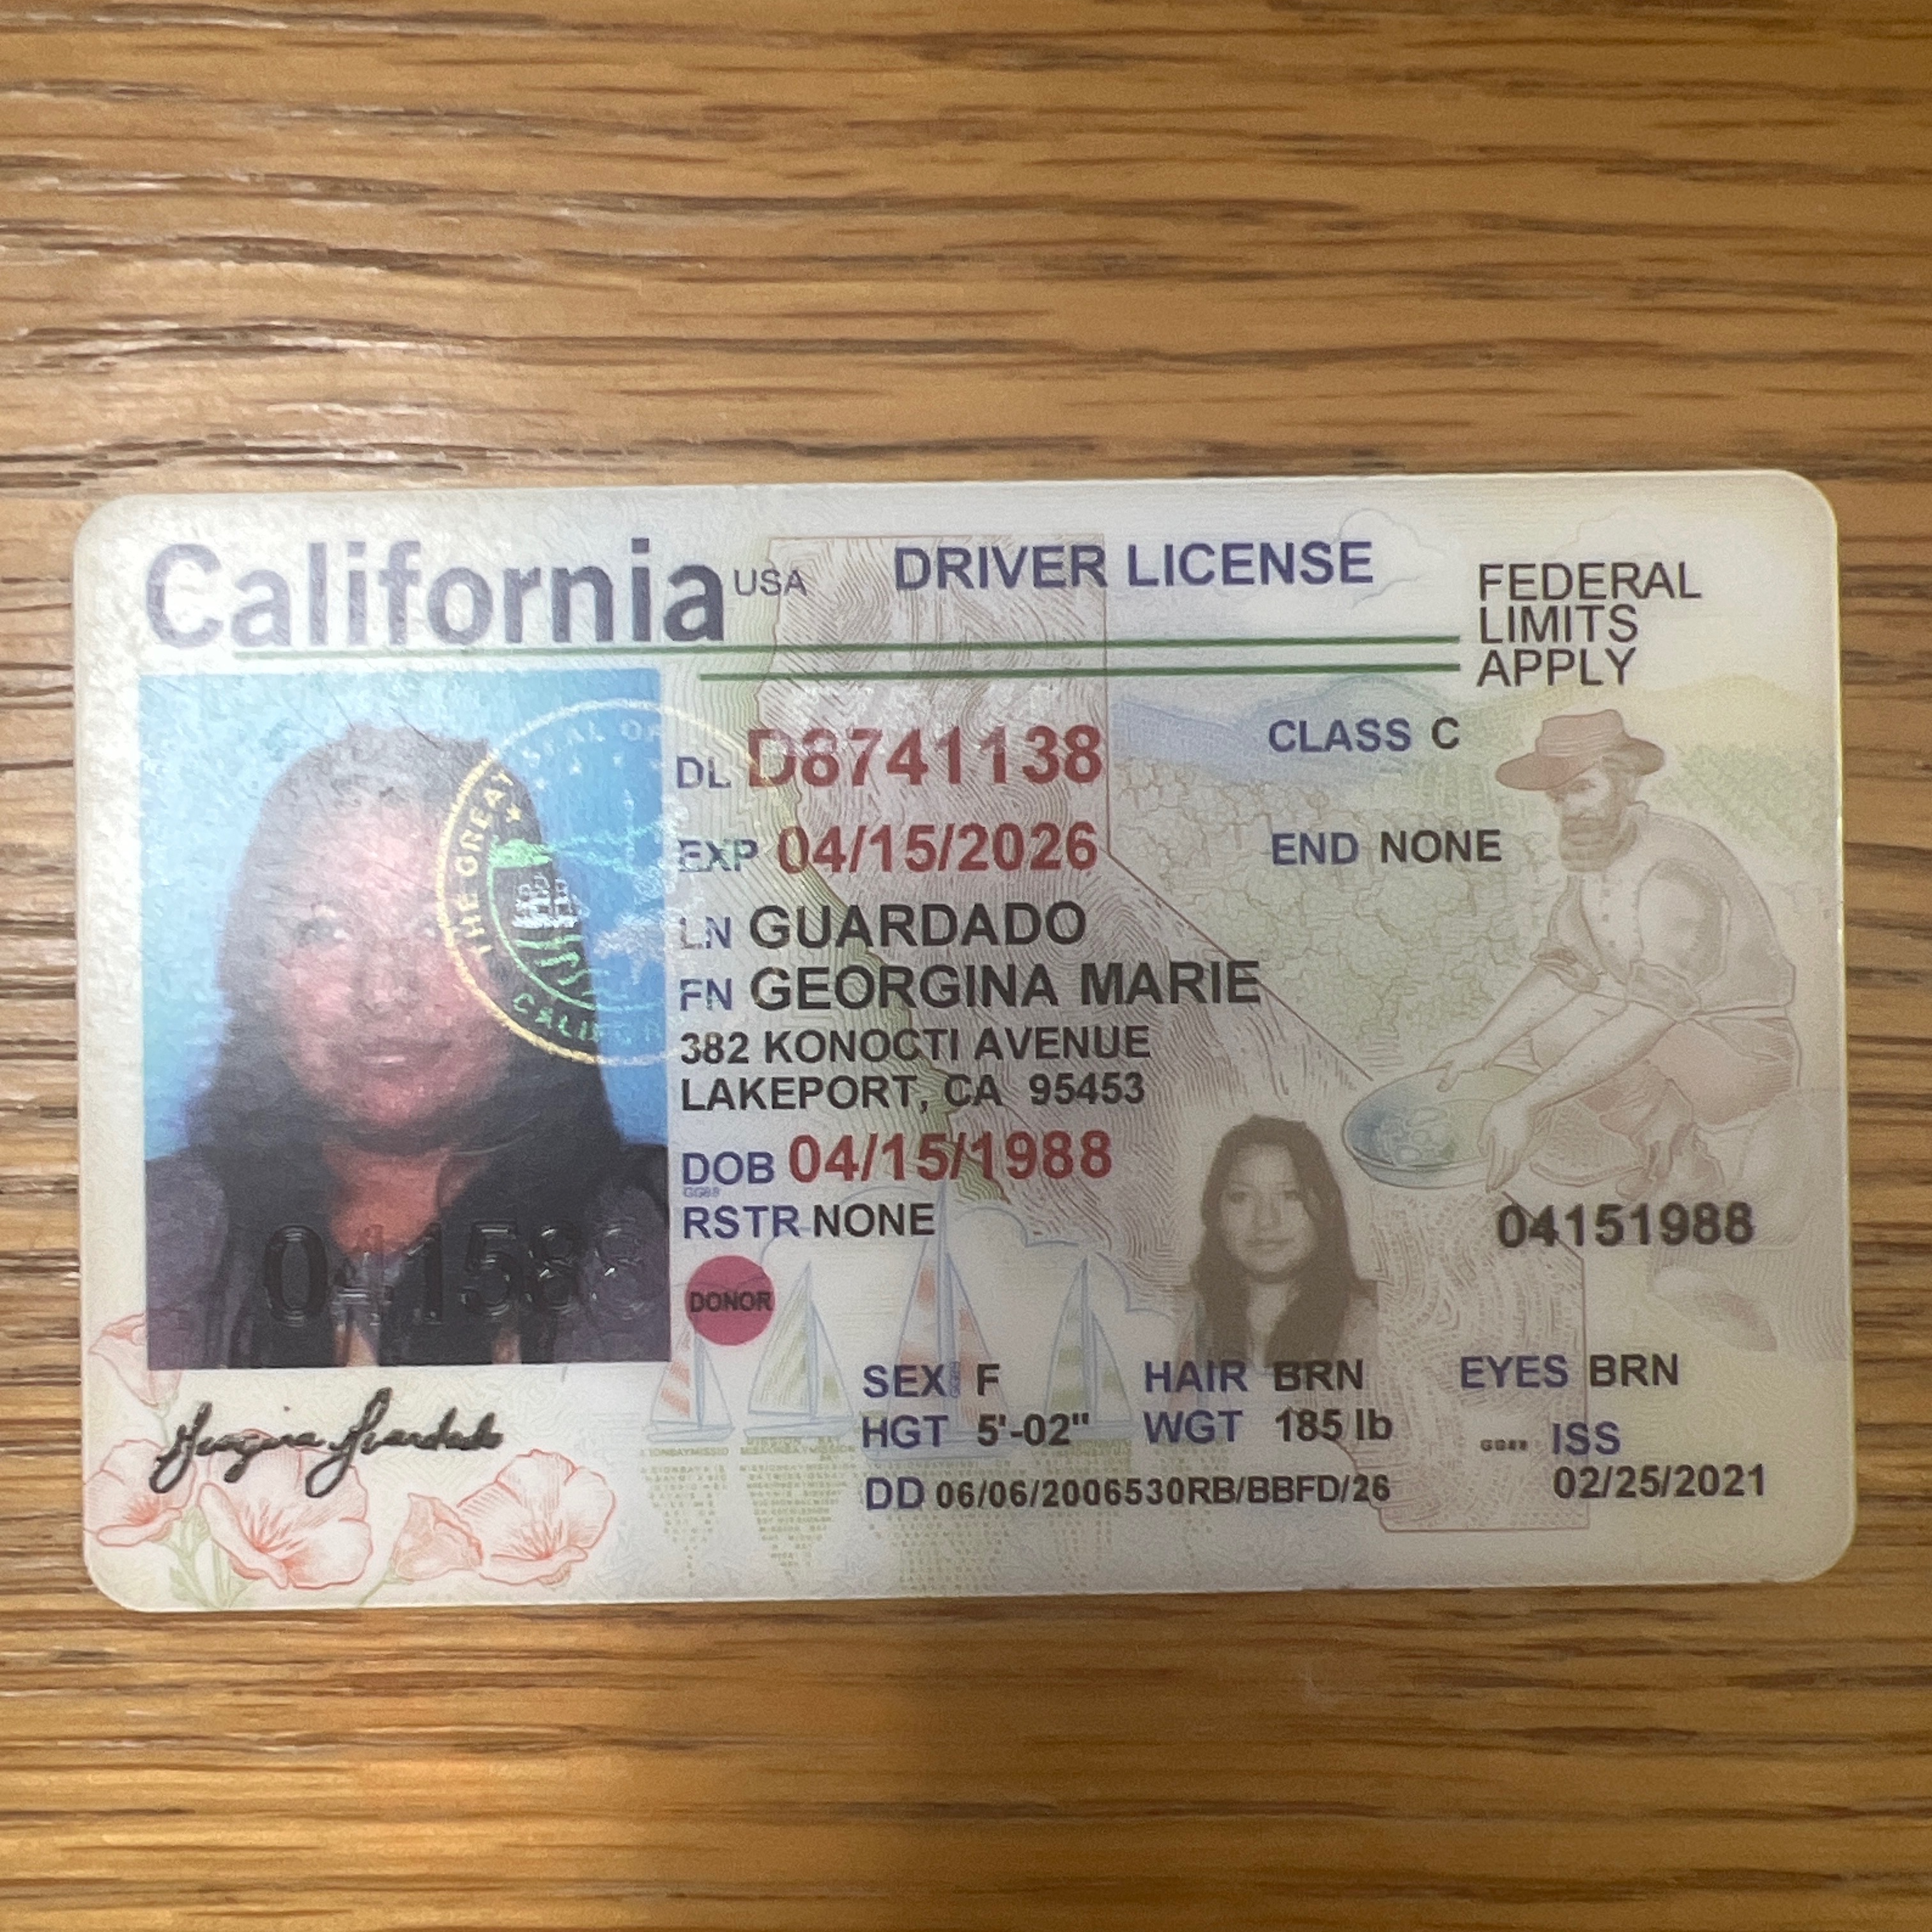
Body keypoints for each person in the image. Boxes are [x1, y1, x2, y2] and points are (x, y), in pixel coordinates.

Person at [146, 724, 669, 1370]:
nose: (385, 992)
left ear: (533, 963)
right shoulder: (151, 1238)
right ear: (255, 972)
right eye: (325, 930)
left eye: (442, 925)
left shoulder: (671, 1232)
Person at [1429, 709, 1798, 1194]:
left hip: (1741, 1054)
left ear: (1626, 784)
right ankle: (1675, 1156)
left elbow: (1649, 1015)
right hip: (1683, 1035)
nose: (1570, 809)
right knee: (1555, 1031)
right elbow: (1567, 966)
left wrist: (1524, 1104)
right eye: (1558, 797)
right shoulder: (1599, 860)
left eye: (1584, 789)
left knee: (1571, 1032)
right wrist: (1485, 1044)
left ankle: (1685, 1163)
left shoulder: (1669, 871)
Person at [1184, 1117, 1376, 1365]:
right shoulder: (1177, 1318)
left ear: (1326, 1206)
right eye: (1241, 1196)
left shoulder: (1375, 1321)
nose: (1266, 1221)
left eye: (1291, 1195)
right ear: (1215, 1212)